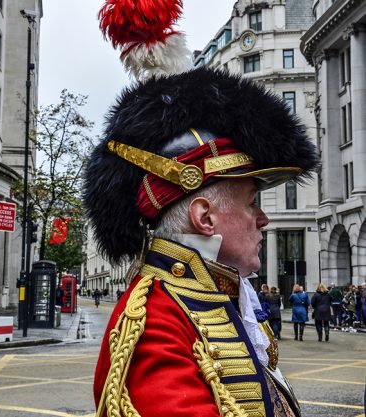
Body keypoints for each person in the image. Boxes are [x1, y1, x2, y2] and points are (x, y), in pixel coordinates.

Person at [85, 2, 319, 416]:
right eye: (251, 203)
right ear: (204, 217)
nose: (262, 218)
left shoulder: (216, 295)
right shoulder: (154, 325)